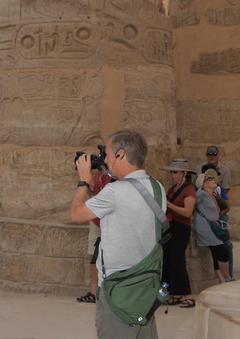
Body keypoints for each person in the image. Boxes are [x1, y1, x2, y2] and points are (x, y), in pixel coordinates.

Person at [71, 130, 166, 339]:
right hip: (146, 285)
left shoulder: (115, 192)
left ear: (120, 154)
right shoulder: (157, 188)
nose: (104, 159)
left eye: (107, 154)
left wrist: (83, 181)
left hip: (118, 289)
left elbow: (76, 214)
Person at [159, 159, 196, 308]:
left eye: (175, 172)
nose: (172, 175)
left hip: (182, 228)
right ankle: (174, 293)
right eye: (171, 172)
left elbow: (187, 212)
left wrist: (169, 205)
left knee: (178, 261)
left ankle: (188, 295)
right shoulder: (172, 189)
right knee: (168, 260)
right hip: (171, 227)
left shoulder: (189, 190)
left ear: (184, 173)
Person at [76, 169, 114, 304]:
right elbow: (96, 198)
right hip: (96, 220)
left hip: (109, 221)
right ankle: (94, 290)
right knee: (93, 256)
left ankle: (107, 291)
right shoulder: (99, 175)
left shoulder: (116, 176)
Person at [194, 169, 232, 283]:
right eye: (209, 178)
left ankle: (222, 281)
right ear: (203, 183)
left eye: (213, 178)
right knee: (223, 250)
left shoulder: (210, 195)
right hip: (205, 228)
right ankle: (227, 277)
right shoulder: (201, 194)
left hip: (209, 227)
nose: (213, 180)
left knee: (216, 254)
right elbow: (192, 203)